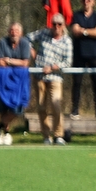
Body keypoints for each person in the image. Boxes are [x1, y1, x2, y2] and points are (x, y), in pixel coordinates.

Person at [27, 15, 73, 145]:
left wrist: (52, 67)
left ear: (63, 26)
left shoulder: (67, 41)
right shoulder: (43, 33)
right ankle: (46, 136)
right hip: (40, 76)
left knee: (56, 105)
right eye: (54, 24)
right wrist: (32, 51)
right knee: (41, 107)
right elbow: (27, 38)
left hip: (55, 77)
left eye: (59, 24)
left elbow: (67, 62)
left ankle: (58, 135)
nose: (56, 27)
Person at [0, 22, 32, 145]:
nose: (14, 33)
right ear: (9, 32)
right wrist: (16, 63)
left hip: (19, 83)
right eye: (12, 30)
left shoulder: (25, 43)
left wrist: (8, 60)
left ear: (21, 33)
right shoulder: (2, 42)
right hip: (3, 81)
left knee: (17, 110)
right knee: (3, 109)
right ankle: (5, 133)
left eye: (16, 31)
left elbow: (25, 63)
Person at [70, 0, 96, 120]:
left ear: (93, 1)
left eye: (89, 0)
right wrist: (91, 31)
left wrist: (83, 31)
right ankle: (75, 110)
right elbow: (75, 31)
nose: (86, 3)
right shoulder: (76, 15)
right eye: (84, 0)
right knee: (77, 82)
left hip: (94, 54)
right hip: (79, 54)